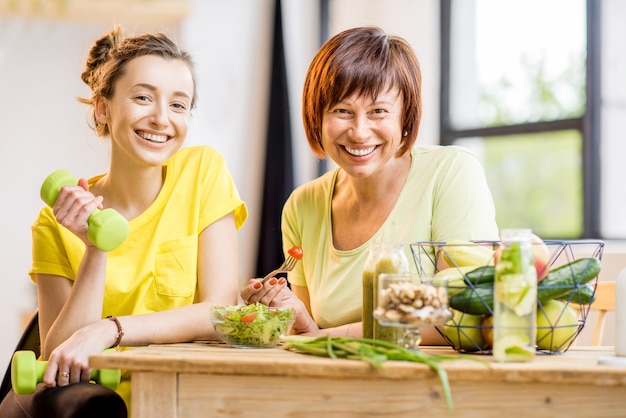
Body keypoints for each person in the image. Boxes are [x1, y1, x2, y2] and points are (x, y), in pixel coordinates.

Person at [0, 26, 247, 417]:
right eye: (143, 97)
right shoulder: (55, 223)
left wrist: (109, 330)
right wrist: (95, 248)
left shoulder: (203, 171)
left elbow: (219, 311)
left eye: (179, 105)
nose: (161, 118)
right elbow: (58, 360)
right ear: (103, 107)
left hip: (188, 401)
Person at [241, 26, 498, 343]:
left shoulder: (451, 173)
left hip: (432, 386)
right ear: (316, 117)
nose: (360, 132)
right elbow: (310, 337)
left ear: (405, 117)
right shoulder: (302, 205)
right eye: (342, 111)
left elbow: (465, 315)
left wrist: (327, 335)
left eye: (379, 111)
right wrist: (299, 319)